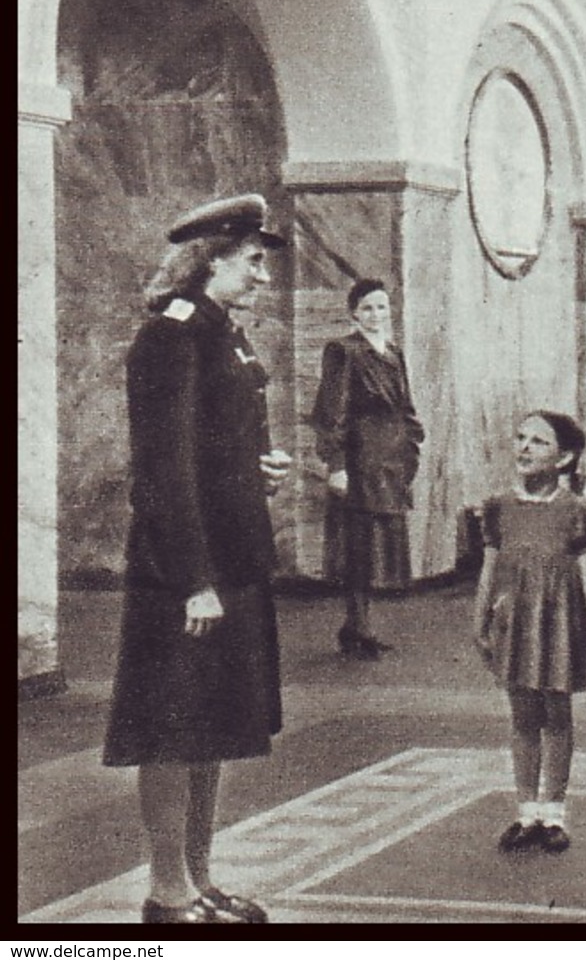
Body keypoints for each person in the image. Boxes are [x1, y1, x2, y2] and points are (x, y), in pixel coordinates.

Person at [102, 194, 290, 924]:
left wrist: (256, 465)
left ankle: (201, 881)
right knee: (173, 729)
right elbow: (162, 470)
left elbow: (214, 446)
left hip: (231, 557)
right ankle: (166, 891)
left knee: (212, 725)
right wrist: (193, 582)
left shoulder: (222, 333)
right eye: (253, 261)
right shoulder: (171, 336)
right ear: (211, 258)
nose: (263, 276)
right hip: (185, 572)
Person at [473, 411, 586, 854]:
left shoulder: (577, 510)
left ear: (564, 458)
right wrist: (480, 621)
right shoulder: (497, 508)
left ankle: (554, 813)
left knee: (557, 717)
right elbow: (489, 568)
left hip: (560, 625)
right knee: (523, 718)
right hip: (514, 624)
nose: (525, 448)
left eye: (539, 442)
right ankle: (526, 812)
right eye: (521, 437)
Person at [311, 278, 425, 660]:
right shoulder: (344, 351)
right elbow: (332, 412)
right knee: (357, 546)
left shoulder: (393, 352)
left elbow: (405, 404)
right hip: (361, 461)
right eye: (368, 309)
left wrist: (411, 445)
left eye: (382, 308)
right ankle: (355, 626)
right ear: (354, 313)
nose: (376, 315)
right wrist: (337, 465)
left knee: (375, 548)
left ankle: (361, 626)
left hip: (391, 463)